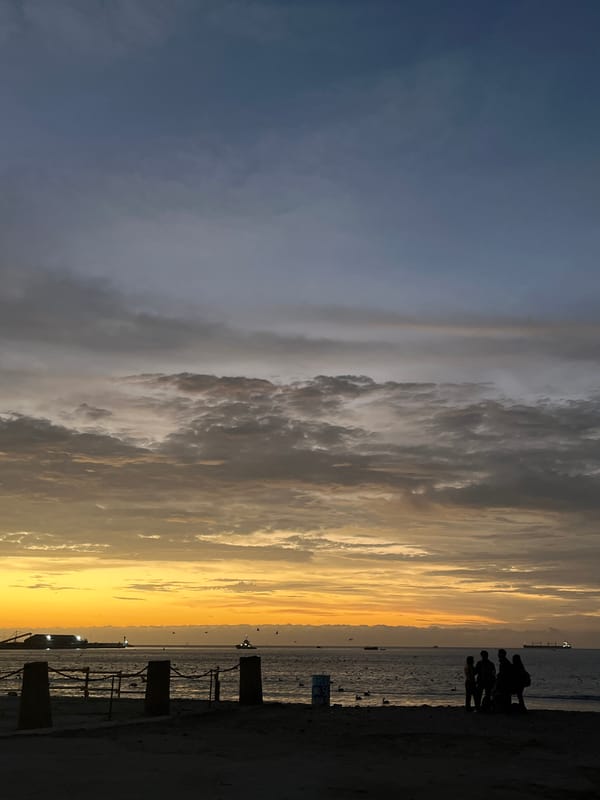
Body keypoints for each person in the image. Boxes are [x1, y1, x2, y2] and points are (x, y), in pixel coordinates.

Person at [494, 648, 513, 712]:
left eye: (499, 653)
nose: (498, 655)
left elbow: (504, 673)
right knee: (505, 695)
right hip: (505, 681)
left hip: (505, 682)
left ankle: (506, 708)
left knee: (506, 695)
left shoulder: (504, 662)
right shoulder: (504, 662)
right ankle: (505, 708)